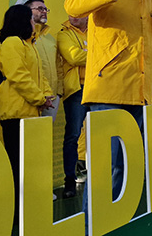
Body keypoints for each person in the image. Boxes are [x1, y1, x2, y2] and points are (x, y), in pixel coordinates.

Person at [64, 0, 152, 200]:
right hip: (108, 94)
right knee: (106, 171)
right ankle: (94, 227)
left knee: (129, 171)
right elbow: (72, 5)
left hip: (139, 94)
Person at [0, 5, 54, 216]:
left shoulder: (29, 45)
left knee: (28, 165)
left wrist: (46, 95)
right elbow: (18, 75)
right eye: (31, 18)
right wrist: (39, 98)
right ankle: (14, 211)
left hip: (30, 112)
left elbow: (40, 75)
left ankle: (26, 208)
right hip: (15, 112)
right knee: (17, 163)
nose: (34, 22)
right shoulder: (12, 43)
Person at [57, 15, 88, 198]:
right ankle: (69, 180)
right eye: (70, 13)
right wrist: (100, 55)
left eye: (79, 12)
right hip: (76, 89)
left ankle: (100, 175)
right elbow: (74, 57)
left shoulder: (97, 31)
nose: (73, 16)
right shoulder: (64, 34)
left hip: (97, 87)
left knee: (100, 134)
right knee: (73, 135)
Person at [25, 0, 63, 120]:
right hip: (30, 96)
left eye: (46, 9)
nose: (44, 11)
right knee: (28, 136)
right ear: (27, 11)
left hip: (51, 97)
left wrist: (58, 92)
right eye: (40, 8)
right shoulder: (21, 35)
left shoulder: (51, 38)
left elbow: (58, 65)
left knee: (45, 135)